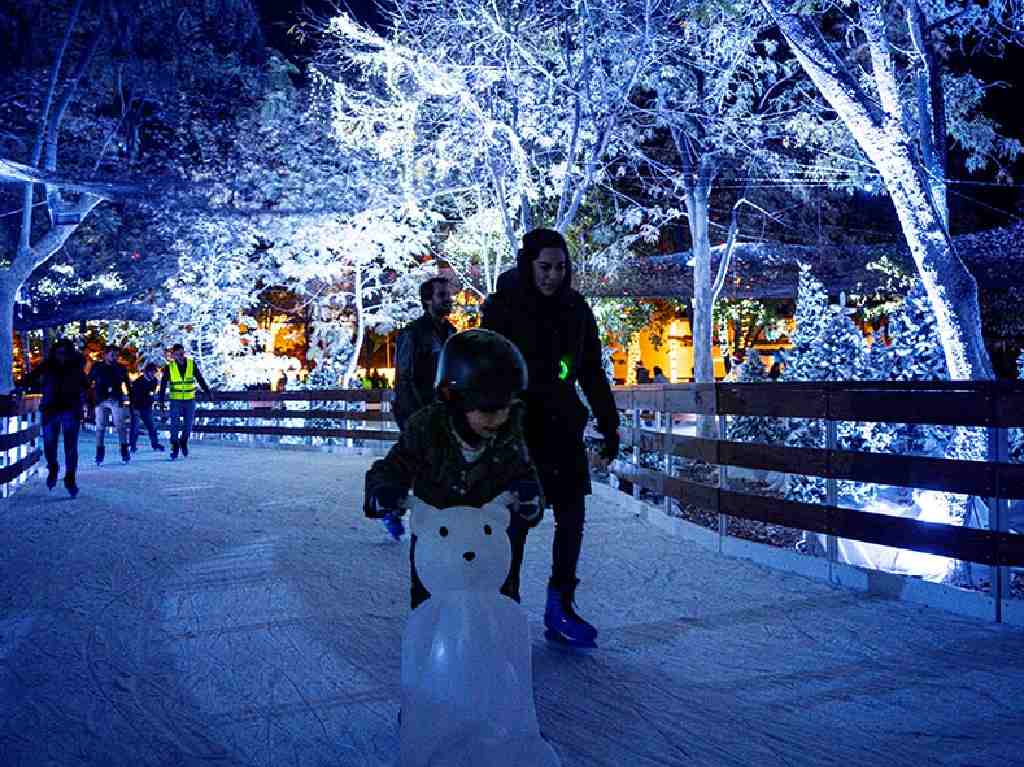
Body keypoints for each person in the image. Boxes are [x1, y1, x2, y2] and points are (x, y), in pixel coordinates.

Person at [481, 227, 620, 648]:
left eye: (560, 267)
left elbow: (591, 370)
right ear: (529, 265)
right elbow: (488, 371)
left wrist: (608, 422)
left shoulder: (576, 309)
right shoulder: (502, 308)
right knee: (519, 522)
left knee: (572, 517)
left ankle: (560, 605)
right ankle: (505, 606)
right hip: (518, 432)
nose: (553, 276)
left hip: (562, 428)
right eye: (545, 267)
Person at [364, 328, 544, 609]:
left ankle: (498, 642)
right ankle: (430, 643)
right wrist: (383, 491)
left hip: (490, 551)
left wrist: (530, 500)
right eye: (486, 409)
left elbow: (524, 476)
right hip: (439, 548)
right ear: (454, 397)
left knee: (495, 606)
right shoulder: (426, 430)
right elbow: (392, 467)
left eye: (504, 407)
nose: (497, 418)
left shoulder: (509, 436)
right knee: (433, 608)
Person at [18, 339, 89, 497]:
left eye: (64, 353)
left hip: (70, 410)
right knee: (50, 444)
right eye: (58, 353)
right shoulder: (48, 365)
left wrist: (86, 403)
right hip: (51, 409)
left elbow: (86, 385)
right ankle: (53, 467)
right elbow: (31, 377)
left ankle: (70, 478)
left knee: (71, 447)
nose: (61, 356)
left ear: (70, 354)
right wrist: (19, 387)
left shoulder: (76, 367)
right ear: (54, 353)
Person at [393, 277, 456, 430]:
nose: (449, 299)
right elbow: (404, 379)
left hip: (445, 415)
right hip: (420, 415)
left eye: (449, 295)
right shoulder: (412, 333)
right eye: (441, 295)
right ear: (428, 300)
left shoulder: (451, 332)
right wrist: (417, 417)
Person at [157, 343, 214, 460]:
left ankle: (183, 441)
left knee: (188, 425)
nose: (181, 356)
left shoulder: (191, 365)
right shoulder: (169, 367)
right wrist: (161, 402)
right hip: (175, 400)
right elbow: (162, 385)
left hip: (189, 400)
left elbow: (200, 378)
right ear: (174, 355)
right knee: (174, 424)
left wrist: (208, 392)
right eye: (178, 354)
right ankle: (174, 445)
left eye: (182, 353)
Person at [89, 344, 132, 465]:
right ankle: (99, 452)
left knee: (120, 426)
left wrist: (130, 397)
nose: (115, 357)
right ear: (105, 355)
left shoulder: (120, 368)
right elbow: (88, 380)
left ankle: (124, 451)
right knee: (100, 426)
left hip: (116, 399)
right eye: (112, 355)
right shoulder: (97, 366)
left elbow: (127, 384)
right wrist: (88, 399)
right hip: (100, 399)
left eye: (116, 355)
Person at [129, 362, 165, 453]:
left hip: (147, 408)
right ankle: (132, 446)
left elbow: (152, 393)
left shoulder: (154, 381)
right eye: (152, 372)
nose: (153, 374)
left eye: (154, 372)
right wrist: (134, 407)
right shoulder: (138, 382)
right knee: (135, 428)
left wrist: (151, 399)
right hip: (136, 407)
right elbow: (133, 396)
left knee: (152, 427)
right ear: (146, 372)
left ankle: (155, 444)